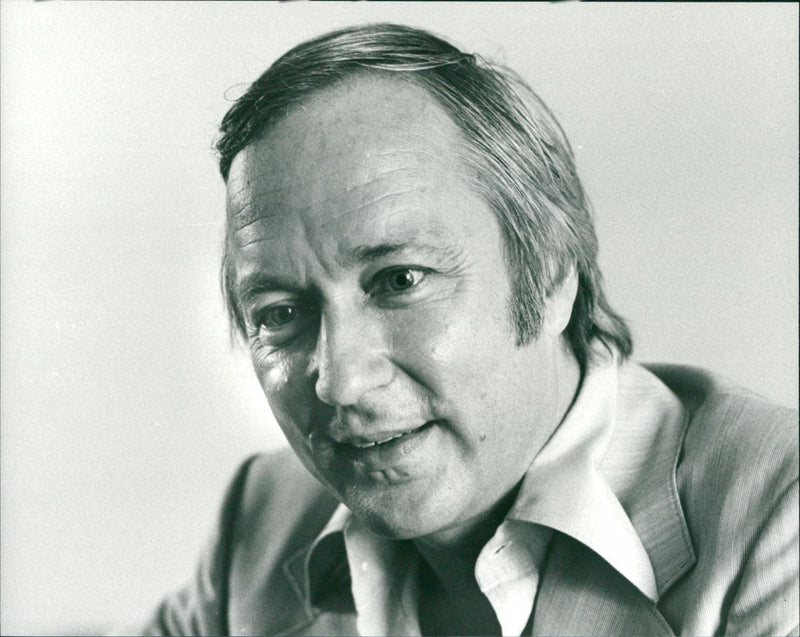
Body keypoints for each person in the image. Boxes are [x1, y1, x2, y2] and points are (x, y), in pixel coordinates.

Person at [141, 24, 798, 636]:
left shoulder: (778, 516)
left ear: (551, 272)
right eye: (280, 314)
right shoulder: (259, 521)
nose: (341, 382)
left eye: (399, 280)